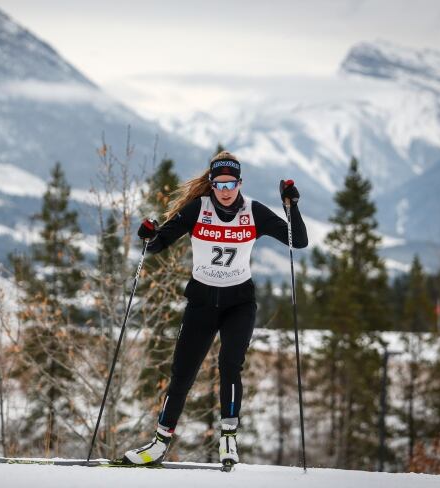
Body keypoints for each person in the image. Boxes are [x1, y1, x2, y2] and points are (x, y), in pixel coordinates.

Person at [122, 150, 308, 467]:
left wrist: (292, 206)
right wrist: (148, 234)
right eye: (219, 184)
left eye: (230, 183)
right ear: (211, 183)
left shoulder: (254, 212)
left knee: (230, 365)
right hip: (202, 304)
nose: (225, 190)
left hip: (239, 303)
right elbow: (156, 245)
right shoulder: (198, 209)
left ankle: (228, 441)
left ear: (239, 183)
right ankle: (158, 444)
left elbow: (298, 240)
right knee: (182, 374)